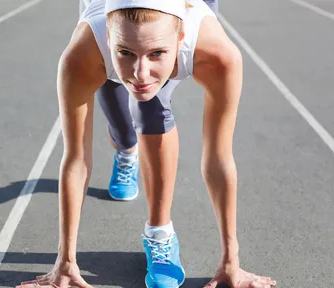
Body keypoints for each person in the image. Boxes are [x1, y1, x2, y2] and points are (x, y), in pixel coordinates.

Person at [17, 0, 277, 287]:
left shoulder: (217, 55)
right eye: (125, 53)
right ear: (108, 39)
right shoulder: (83, 54)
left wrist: (232, 261)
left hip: (167, 30)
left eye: (157, 53)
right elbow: (76, 159)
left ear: (180, 38)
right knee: (123, 132)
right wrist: (65, 264)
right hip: (109, 35)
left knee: (150, 109)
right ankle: (127, 152)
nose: (141, 73)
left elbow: (219, 158)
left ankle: (160, 233)